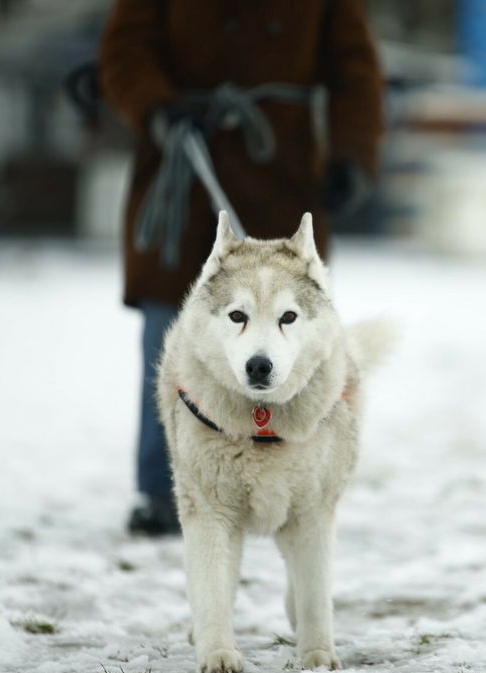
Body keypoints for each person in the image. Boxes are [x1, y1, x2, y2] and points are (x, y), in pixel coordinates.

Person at [97, 0, 385, 536]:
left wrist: (352, 154)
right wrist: (156, 108)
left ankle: (291, 486)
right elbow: (124, 49)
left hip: (286, 176)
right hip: (181, 177)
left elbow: (356, 71)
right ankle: (165, 490)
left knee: (288, 342)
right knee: (169, 331)